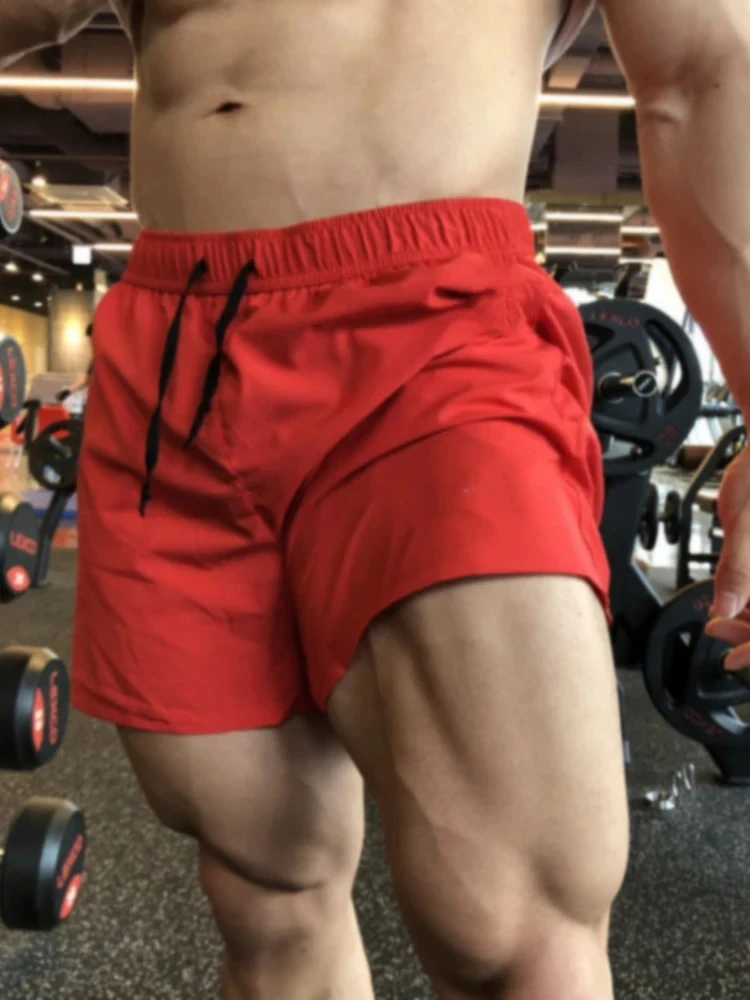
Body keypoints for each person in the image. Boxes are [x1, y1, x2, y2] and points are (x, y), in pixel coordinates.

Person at [3, 2, 750, 998]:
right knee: (266, 886)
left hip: (432, 323)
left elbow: (700, 69)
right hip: (170, 352)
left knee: (517, 929)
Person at [56, 323, 93, 413]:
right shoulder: (95, 358)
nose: (90, 343)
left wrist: (67, 391)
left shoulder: (104, 356)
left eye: (92, 339)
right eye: (90, 340)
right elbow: (86, 378)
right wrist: (67, 391)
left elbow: (86, 378)